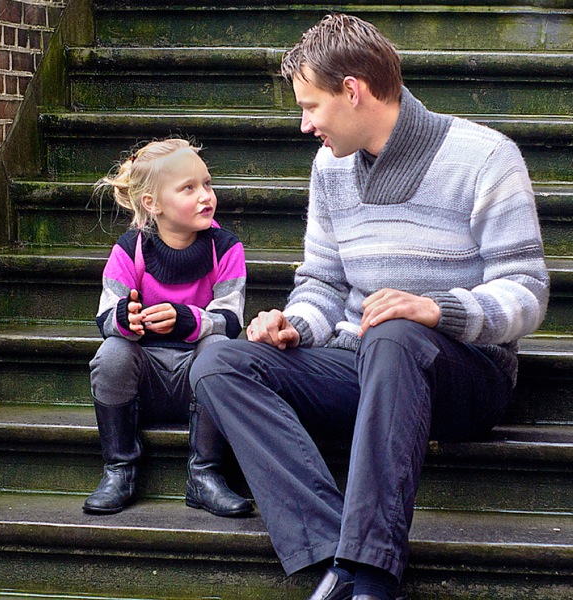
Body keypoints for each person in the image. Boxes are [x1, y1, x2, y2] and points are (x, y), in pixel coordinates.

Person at [188, 13, 550, 600]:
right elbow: (323, 282)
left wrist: (437, 310)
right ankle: (336, 554)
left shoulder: (485, 157)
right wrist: (293, 325)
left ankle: (374, 577)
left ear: (352, 91)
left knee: (395, 333)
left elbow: (527, 292)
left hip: (464, 375)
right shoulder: (329, 167)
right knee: (219, 362)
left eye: (311, 106)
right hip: (362, 363)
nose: (305, 124)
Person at [83, 137, 253, 518]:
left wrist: (188, 319)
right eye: (188, 188)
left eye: (207, 183)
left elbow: (230, 321)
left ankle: (205, 474)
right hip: (147, 385)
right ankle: (119, 470)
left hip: (200, 381)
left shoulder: (226, 249)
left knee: (219, 350)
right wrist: (126, 318)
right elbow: (105, 316)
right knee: (111, 354)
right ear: (153, 204)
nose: (205, 196)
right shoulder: (129, 249)